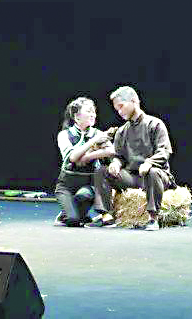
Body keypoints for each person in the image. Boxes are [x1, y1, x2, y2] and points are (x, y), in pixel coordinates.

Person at [86, 86, 175, 231]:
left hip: (156, 176)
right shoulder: (122, 131)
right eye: (117, 109)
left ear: (134, 101)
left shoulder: (155, 124)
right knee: (102, 171)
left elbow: (164, 151)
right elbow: (119, 156)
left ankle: (153, 218)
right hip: (133, 177)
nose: (119, 112)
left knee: (152, 172)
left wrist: (149, 163)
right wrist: (116, 163)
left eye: (121, 106)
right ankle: (106, 216)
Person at [54, 97, 115, 227]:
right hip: (67, 184)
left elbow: (111, 150)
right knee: (73, 221)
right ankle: (68, 213)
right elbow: (73, 157)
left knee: (85, 195)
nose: (93, 115)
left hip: (88, 183)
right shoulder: (64, 135)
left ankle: (76, 212)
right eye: (89, 111)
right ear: (77, 117)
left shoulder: (97, 133)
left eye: (94, 111)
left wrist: (87, 157)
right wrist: (94, 141)